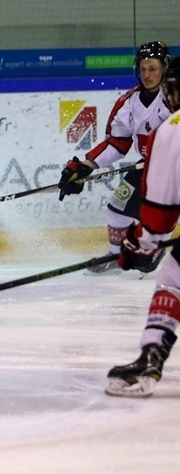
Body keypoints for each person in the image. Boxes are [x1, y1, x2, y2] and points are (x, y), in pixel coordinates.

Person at [58, 41, 173, 274]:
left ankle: (157, 245)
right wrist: (86, 165)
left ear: (164, 69)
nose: (147, 74)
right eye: (143, 69)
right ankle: (117, 255)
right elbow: (117, 142)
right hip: (150, 168)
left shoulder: (174, 96)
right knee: (117, 210)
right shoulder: (129, 102)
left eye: (153, 68)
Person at [105, 56, 180, 398]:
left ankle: (151, 356)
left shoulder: (172, 130)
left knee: (172, 281)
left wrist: (143, 243)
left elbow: (162, 209)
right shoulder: (133, 104)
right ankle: (151, 356)